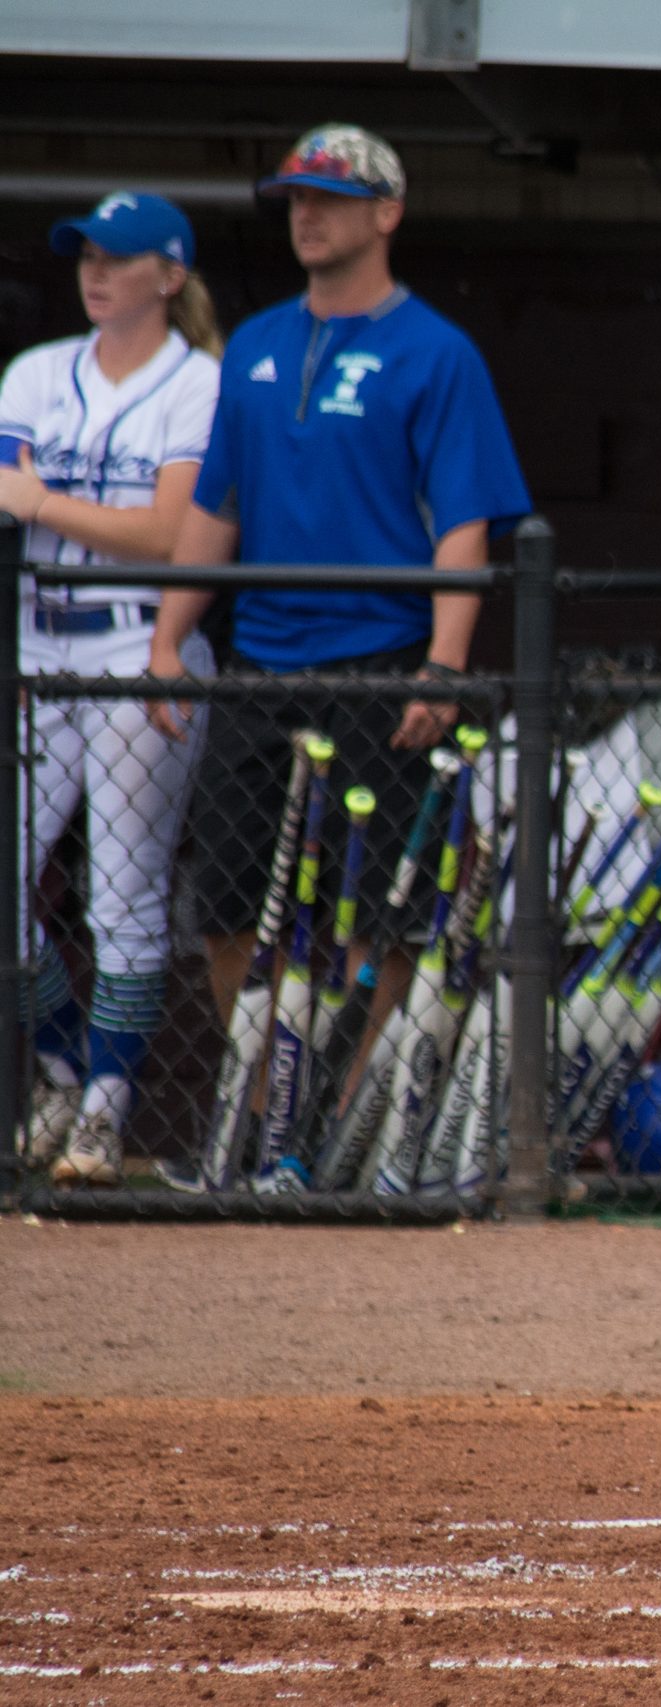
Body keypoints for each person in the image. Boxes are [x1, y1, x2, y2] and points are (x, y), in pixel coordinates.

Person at [145, 124, 529, 1041]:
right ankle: (261, 1093)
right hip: (262, 657)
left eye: (330, 199)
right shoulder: (253, 346)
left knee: (380, 904)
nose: (306, 216)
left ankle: (343, 1130)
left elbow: (465, 522)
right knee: (229, 889)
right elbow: (217, 502)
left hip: (381, 661)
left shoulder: (439, 352)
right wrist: (166, 638)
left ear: (387, 213)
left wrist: (442, 665)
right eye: (296, 200)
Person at [0, 192, 223, 1186]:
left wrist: (49, 500)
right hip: (37, 642)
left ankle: (103, 1110)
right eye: (87, 254)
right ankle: (61, 1067)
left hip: (142, 643)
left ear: (168, 277)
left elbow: (176, 533)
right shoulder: (36, 374)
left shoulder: (198, 383)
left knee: (123, 896)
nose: (96, 271)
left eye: (120, 258)